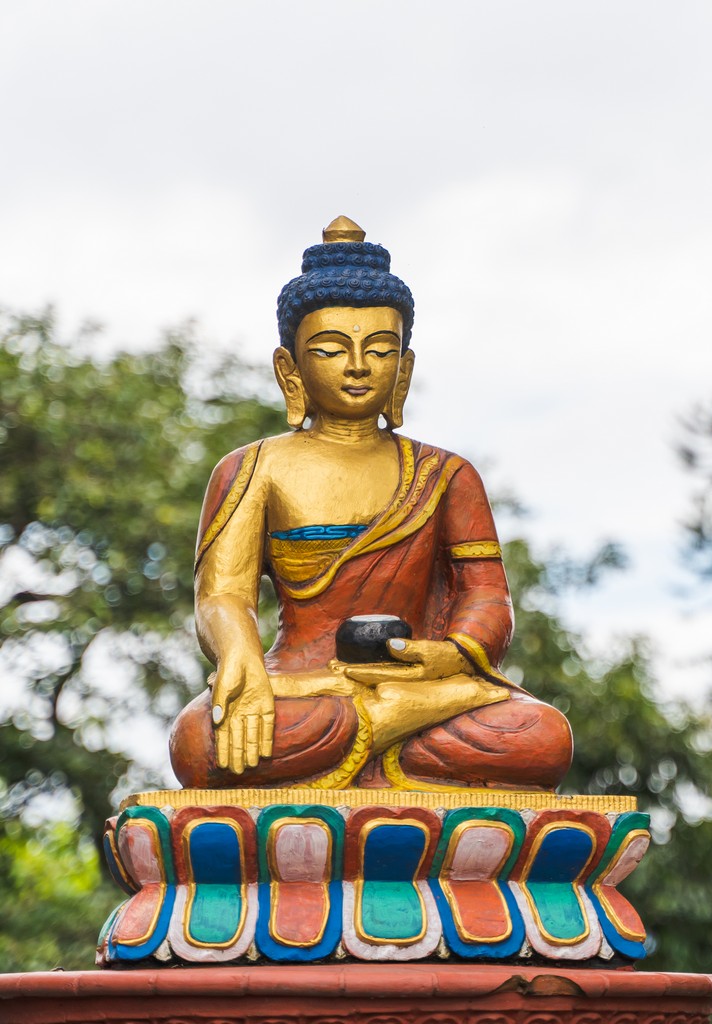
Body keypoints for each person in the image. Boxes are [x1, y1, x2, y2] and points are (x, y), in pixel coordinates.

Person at [169, 217, 572, 791]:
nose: (358, 366)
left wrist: (453, 657)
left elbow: (486, 594)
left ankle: (385, 730)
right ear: (291, 370)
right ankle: (386, 731)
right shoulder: (254, 468)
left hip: (418, 680)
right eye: (332, 349)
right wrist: (242, 663)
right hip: (301, 686)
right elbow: (222, 596)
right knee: (198, 743)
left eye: (379, 350)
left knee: (542, 736)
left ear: (403, 368)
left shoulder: (446, 474)